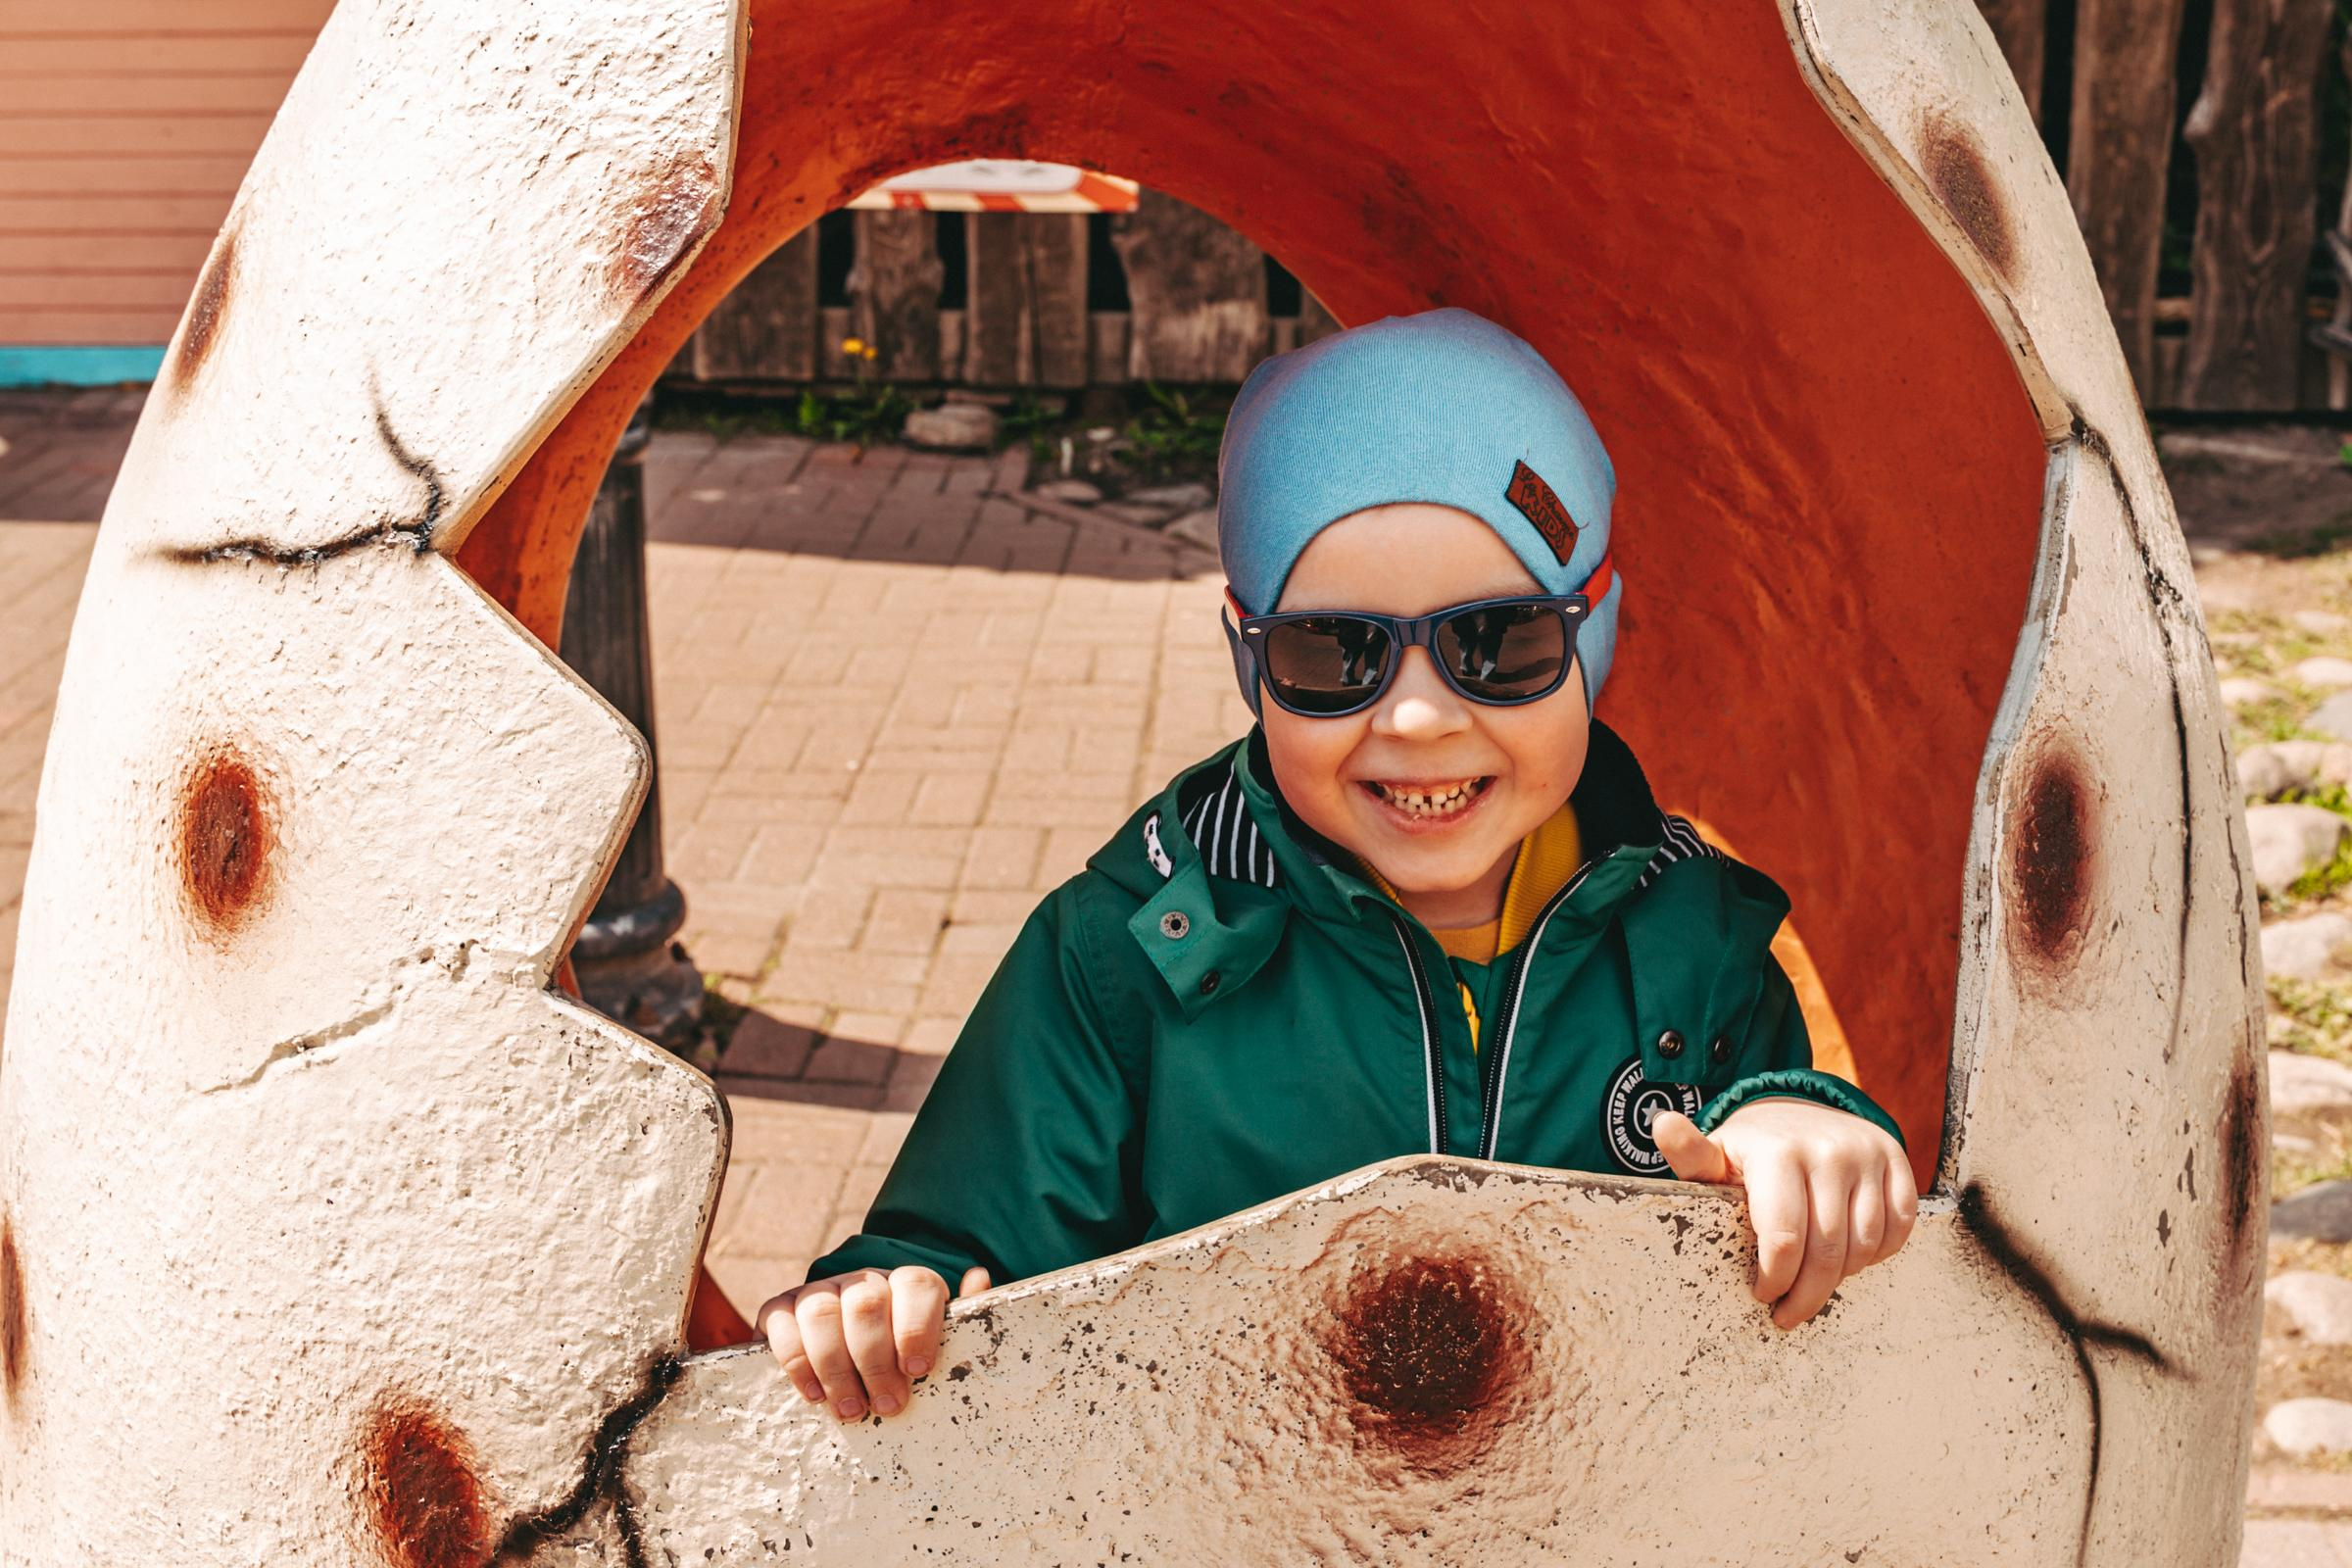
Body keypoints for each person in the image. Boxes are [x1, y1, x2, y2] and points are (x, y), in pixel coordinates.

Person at [757, 306, 1917, 1423]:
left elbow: (1784, 1287)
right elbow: (964, 1252)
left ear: (1591, 630)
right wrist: (886, 1298)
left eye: (1497, 642)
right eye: (1333, 654)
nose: (1415, 717)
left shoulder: (1691, 944)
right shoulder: (1127, 957)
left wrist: (1796, 1126)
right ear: (1248, 655)